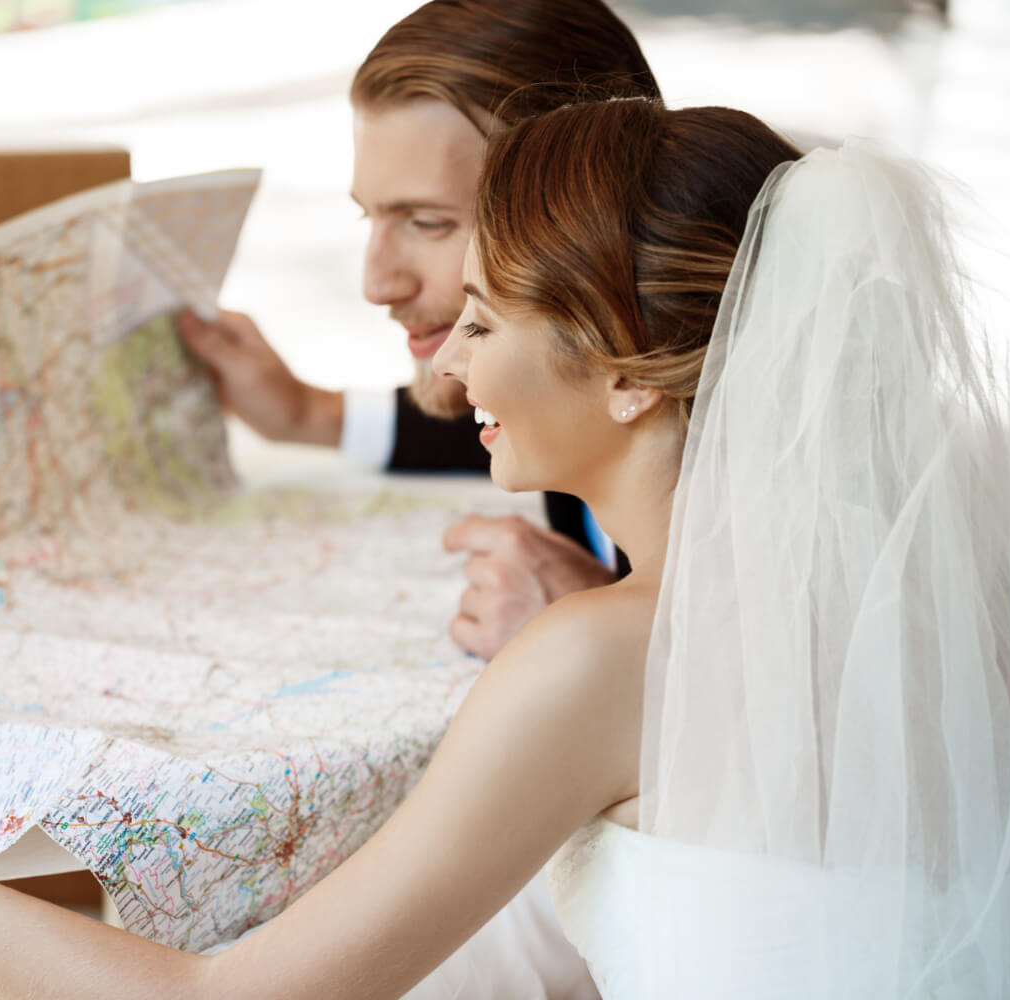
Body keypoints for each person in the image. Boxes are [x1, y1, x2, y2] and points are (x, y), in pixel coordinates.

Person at [0, 98, 1010, 997]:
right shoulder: (944, 570)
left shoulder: (601, 665)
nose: (451, 375)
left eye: (488, 322)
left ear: (632, 374)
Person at [180, 0, 660, 661]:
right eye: (370, 218)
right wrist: (305, 413)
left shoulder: (737, 483)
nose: (377, 284)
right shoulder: (582, 389)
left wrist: (605, 631)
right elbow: (499, 415)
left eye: (428, 223)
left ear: (579, 217)